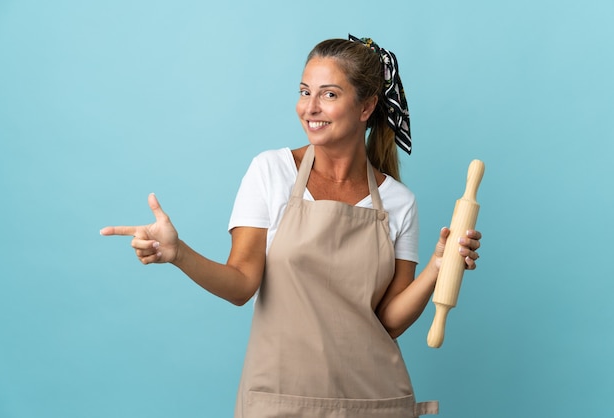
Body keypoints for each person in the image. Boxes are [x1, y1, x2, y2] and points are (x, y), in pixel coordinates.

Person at [101, 35, 482, 418]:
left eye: (329, 95)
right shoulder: (271, 172)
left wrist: (438, 266)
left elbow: (389, 322)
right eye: (304, 92)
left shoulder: (399, 201)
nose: (310, 108)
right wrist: (178, 253)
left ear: (366, 106)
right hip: (280, 400)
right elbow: (241, 284)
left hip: (373, 400)